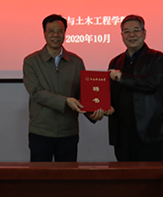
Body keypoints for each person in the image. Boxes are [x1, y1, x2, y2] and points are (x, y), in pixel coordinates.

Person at [23, 14, 108, 162]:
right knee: (40, 175)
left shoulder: (76, 62)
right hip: (41, 131)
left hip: (68, 132)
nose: (55, 35)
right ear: (44, 33)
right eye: (51, 31)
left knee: (68, 175)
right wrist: (65, 101)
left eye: (60, 31)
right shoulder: (31, 61)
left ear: (65, 33)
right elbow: (36, 93)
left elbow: (83, 94)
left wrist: (93, 113)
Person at [108, 14, 163, 161]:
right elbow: (111, 94)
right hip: (122, 134)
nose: (131, 35)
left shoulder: (157, 58)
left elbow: (153, 83)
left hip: (149, 133)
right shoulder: (115, 62)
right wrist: (104, 107)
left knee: (152, 174)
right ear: (122, 35)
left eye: (136, 30)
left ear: (144, 33)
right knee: (125, 174)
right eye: (127, 31)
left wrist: (123, 78)